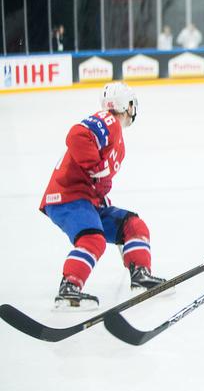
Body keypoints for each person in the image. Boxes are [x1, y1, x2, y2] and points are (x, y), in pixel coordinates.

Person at [40, 82, 166, 310]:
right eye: (131, 104)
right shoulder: (108, 121)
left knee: (133, 226)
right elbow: (76, 135)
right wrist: (94, 166)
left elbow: (96, 180)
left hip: (86, 200)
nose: (133, 109)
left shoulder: (117, 137)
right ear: (126, 106)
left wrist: (101, 196)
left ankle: (140, 276)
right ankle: (69, 288)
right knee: (92, 239)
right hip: (67, 197)